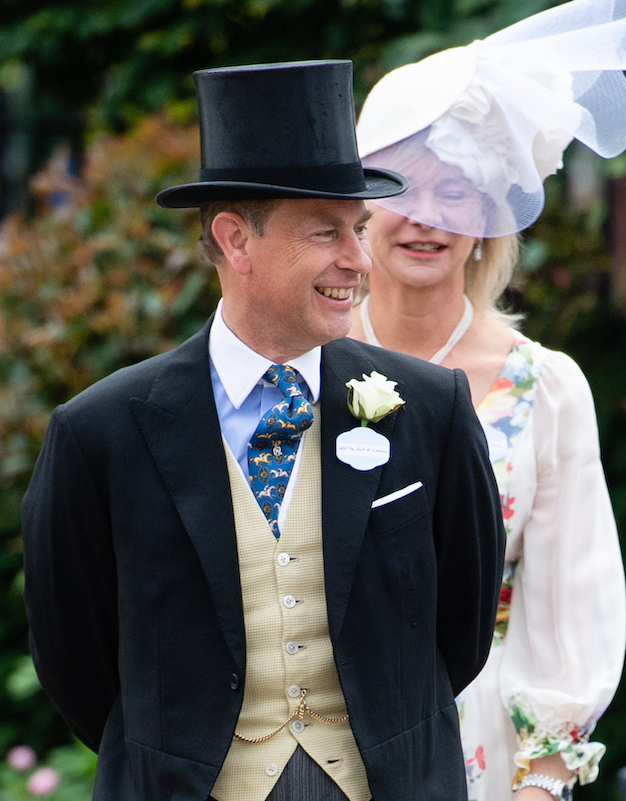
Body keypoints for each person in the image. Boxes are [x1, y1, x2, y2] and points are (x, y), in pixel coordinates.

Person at [21, 60, 505, 801]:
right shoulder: (99, 434)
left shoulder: (429, 408)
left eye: (358, 229)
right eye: (325, 232)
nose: (356, 260)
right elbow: (74, 657)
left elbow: (460, 630)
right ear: (235, 241)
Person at [350, 3, 626, 800]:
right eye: (403, 187)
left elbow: (572, 597)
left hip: (482, 742)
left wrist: (541, 782)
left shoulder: (545, 385)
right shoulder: (300, 363)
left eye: (457, 189)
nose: (428, 215)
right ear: (360, 205)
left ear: (491, 218)